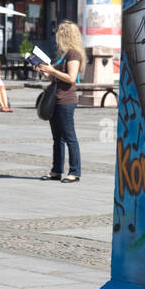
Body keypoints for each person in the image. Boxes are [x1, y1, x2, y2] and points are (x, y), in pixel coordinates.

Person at [34, 20, 85, 182]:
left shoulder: (73, 54)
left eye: (58, 34)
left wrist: (52, 70)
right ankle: (56, 170)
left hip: (66, 99)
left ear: (65, 36)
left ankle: (75, 171)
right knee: (57, 138)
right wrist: (44, 71)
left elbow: (71, 78)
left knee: (69, 136)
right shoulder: (63, 54)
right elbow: (54, 78)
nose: (56, 37)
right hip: (56, 98)